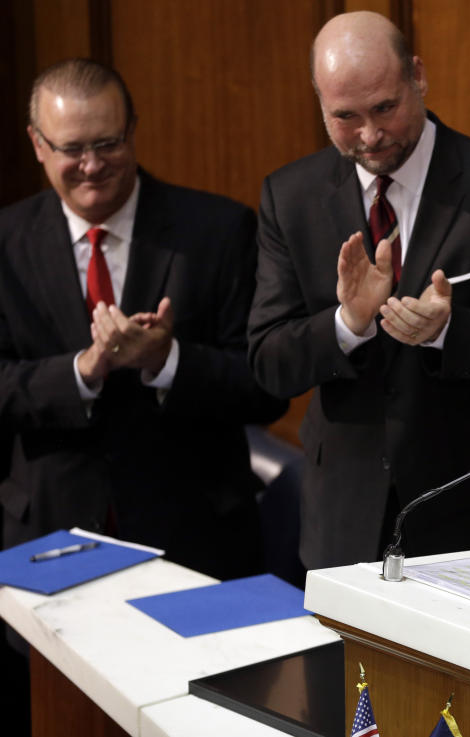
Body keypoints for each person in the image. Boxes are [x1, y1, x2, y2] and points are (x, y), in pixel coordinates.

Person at [248, 11, 470, 569]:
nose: (370, 135)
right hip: (343, 520)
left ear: (416, 77)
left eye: (385, 108)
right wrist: (347, 325)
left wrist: (448, 330)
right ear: (319, 102)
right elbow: (269, 362)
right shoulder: (288, 196)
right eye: (344, 116)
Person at [0, 59, 288, 579]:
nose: (91, 165)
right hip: (49, 542)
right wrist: (80, 373)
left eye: (108, 144)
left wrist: (167, 361)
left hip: (195, 544)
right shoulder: (6, 244)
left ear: (132, 130)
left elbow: (266, 386)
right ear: (38, 144)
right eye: (71, 149)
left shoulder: (219, 232)